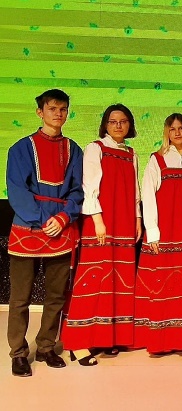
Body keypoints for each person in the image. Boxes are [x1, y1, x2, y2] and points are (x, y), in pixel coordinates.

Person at [6, 89, 83, 376]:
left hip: (60, 227)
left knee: (55, 295)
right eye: (52, 108)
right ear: (40, 112)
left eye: (63, 109)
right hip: (28, 227)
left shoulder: (74, 150)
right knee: (20, 297)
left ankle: (47, 346)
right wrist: (42, 218)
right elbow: (17, 190)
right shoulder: (20, 148)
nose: (58, 114)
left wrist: (63, 217)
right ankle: (18, 352)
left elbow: (78, 190)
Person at [61, 103, 142, 365]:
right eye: (113, 121)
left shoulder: (132, 154)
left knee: (118, 281)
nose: (118, 126)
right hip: (102, 222)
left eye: (123, 121)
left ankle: (106, 337)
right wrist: (97, 221)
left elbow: (135, 191)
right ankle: (78, 343)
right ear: (105, 125)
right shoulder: (95, 148)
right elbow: (89, 187)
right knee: (94, 279)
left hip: (125, 222)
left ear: (129, 125)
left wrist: (138, 219)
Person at [133, 113, 182, 354]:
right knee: (162, 282)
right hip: (165, 229)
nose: (177, 133)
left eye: (181, 128)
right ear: (166, 132)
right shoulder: (157, 159)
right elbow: (148, 196)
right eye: (172, 129)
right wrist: (153, 231)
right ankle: (160, 338)